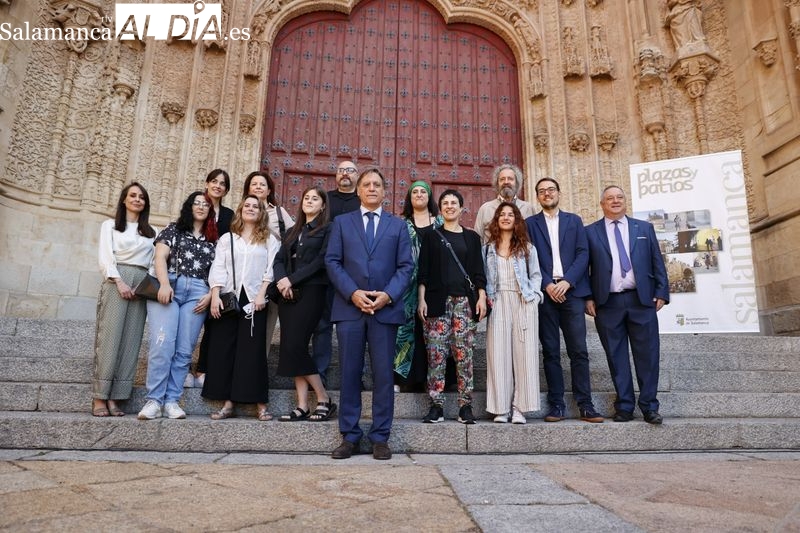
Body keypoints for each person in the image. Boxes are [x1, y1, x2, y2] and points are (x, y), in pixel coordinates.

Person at [325, 168, 413, 460]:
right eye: (367, 184)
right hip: (350, 309)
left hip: (385, 311)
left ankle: (380, 437)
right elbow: (333, 261)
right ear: (359, 191)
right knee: (349, 373)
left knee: (383, 376)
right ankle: (349, 436)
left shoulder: (398, 226)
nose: (372, 188)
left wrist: (387, 295)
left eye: (377, 185)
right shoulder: (341, 222)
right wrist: (353, 293)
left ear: (385, 192)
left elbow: (405, 267)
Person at [585, 185, 669, 424]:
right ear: (602, 204)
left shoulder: (644, 228)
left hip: (641, 300)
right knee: (616, 356)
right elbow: (584, 268)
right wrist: (588, 297)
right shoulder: (590, 232)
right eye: (609, 198)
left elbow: (656, 261)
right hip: (607, 303)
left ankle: (650, 407)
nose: (615, 201)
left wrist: (662, 291)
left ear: (625, 201)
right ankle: (624, 406)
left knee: (648, 355)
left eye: (619, 197)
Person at [526, 178, 604, 423]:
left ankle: (586, 404)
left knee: (578, 350)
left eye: (551, 190)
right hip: (546, 294)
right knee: (550, 351)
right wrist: (547, 283)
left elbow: (583, 254)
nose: (547, 194)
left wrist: (567, 281)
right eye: (542, 191)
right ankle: (556, 404)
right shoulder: (529, 224)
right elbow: (529, 257)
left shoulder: (575, 220)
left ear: (559, 193)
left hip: (572, 292)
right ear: (537, 197)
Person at [138, 192, 218, 420]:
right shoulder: (174, 229)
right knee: (162, 344)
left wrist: (212, 294)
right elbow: (160, 256)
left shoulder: (214, 238)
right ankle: (154, 400)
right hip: (170, 287)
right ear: (189, 207)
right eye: (197, 203)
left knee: (184, 350)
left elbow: (220, 270)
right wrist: (163, 284)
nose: (201, 207)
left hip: (198, 293)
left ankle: (172, 400)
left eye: (206, 204)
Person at [202, 195, 280, 421]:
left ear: (261, 212)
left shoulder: (268, 240)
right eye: (247, 205)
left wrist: (262, 296)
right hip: (229, 298)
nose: (251, 209)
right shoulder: (228, 238)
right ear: (240, 210)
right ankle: (228, 403)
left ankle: (260, 403)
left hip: (255, 298)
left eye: (256, 206)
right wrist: (215, 295)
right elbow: (218, 266)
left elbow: (270, 269)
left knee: (252, 352)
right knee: (226, 350)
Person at [418, 189, 487, 425]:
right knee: (436, 354)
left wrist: (480, 297)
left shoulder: (472, 238)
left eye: (453, 203)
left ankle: (465, 406)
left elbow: (479, 271)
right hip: (437, 302)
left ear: (461, 208)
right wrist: (421, 299)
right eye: (445, 203)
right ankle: (436, 405)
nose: (449, 206)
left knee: (464, 354)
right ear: (441, 208)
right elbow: (423, 273)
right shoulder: (431, 236)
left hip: (464, 303)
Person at [92, 182, 156, 417]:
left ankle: (116, 398)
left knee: (131, 341)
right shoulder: (110, 226)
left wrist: (143, 286)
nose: (137, 200)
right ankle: (100, 396)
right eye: (133, 196)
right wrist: (119, 281)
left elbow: (153, 262)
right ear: (124, 199)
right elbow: (106, 257)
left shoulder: (152, 232)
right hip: (116, 282)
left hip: (140, 287)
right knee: (110, 339)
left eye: (142, 197)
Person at [274, 186, 336, 422]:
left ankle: (323, 398)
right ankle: (301, 406)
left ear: (322, 206)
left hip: (312, 292)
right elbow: (279, 259)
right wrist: (282, 280)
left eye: (315, 199)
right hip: (287, 294)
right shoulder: (292, 231)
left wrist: (292, 279)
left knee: (297, 345)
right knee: (291, 346)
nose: (309, 201)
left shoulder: (328, 229)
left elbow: (322, 261)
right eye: (306, 198)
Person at [484, 202, 542, 424]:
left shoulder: (527, 248)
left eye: (511, 215)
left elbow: (536, 275)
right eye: (502, 214)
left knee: (525, 355)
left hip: (522, 301)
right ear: (496, 219)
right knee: (498, 355)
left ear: (517, 220)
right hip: (498, 301)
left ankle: (520, 408)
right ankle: (501, 408)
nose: (506, 218)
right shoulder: (488, 249)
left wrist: (534, 297)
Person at [312, 160, 362, 386]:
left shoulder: (362, 202)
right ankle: (319, 375)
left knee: (354, 328)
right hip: (323, 271)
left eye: (350, 170)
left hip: (352, 276)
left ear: (356, 176)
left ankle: (354, 377)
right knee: (322, 325)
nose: (345, 174)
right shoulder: (325, 201)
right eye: (341, 170)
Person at [241, 171, 295, 372]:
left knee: (265, 325)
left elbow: (293, 237)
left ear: (269, 190)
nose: (257, 187)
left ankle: (257, 370)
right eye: (253, 184)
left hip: (271, 278)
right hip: (244, 278)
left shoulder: (279, 213)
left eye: (262, 184)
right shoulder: (241, 211)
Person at [394, 180, 442, 392]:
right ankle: (403, 379)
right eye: (415, 192)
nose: (420, 194)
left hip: (436, 285)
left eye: (424, 191)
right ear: (410, 197)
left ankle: (434, 379)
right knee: (405, 332)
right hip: (407, 287)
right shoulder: (400, 223)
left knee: (434, 332)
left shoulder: (440, 222)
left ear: (429, 196)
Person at [193, 169, 234, 388]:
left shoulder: (228, 215)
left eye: (223, 183)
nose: (218, 186)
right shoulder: (197, 205)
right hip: (195, 271)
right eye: (214, 181)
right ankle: (184, 370)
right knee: (189, 323)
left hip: (218, 273)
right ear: (207, 183)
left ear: (226, 189)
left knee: (212, 322)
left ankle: (202, 369)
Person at [473, 164, 536, 243]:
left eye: (510, 179)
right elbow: (477, 241)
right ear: (497, 183)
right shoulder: (485, 208)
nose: (506, 182)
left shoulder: (528, 208)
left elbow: (534, 238)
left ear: (517, 183)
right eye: (502, 179)